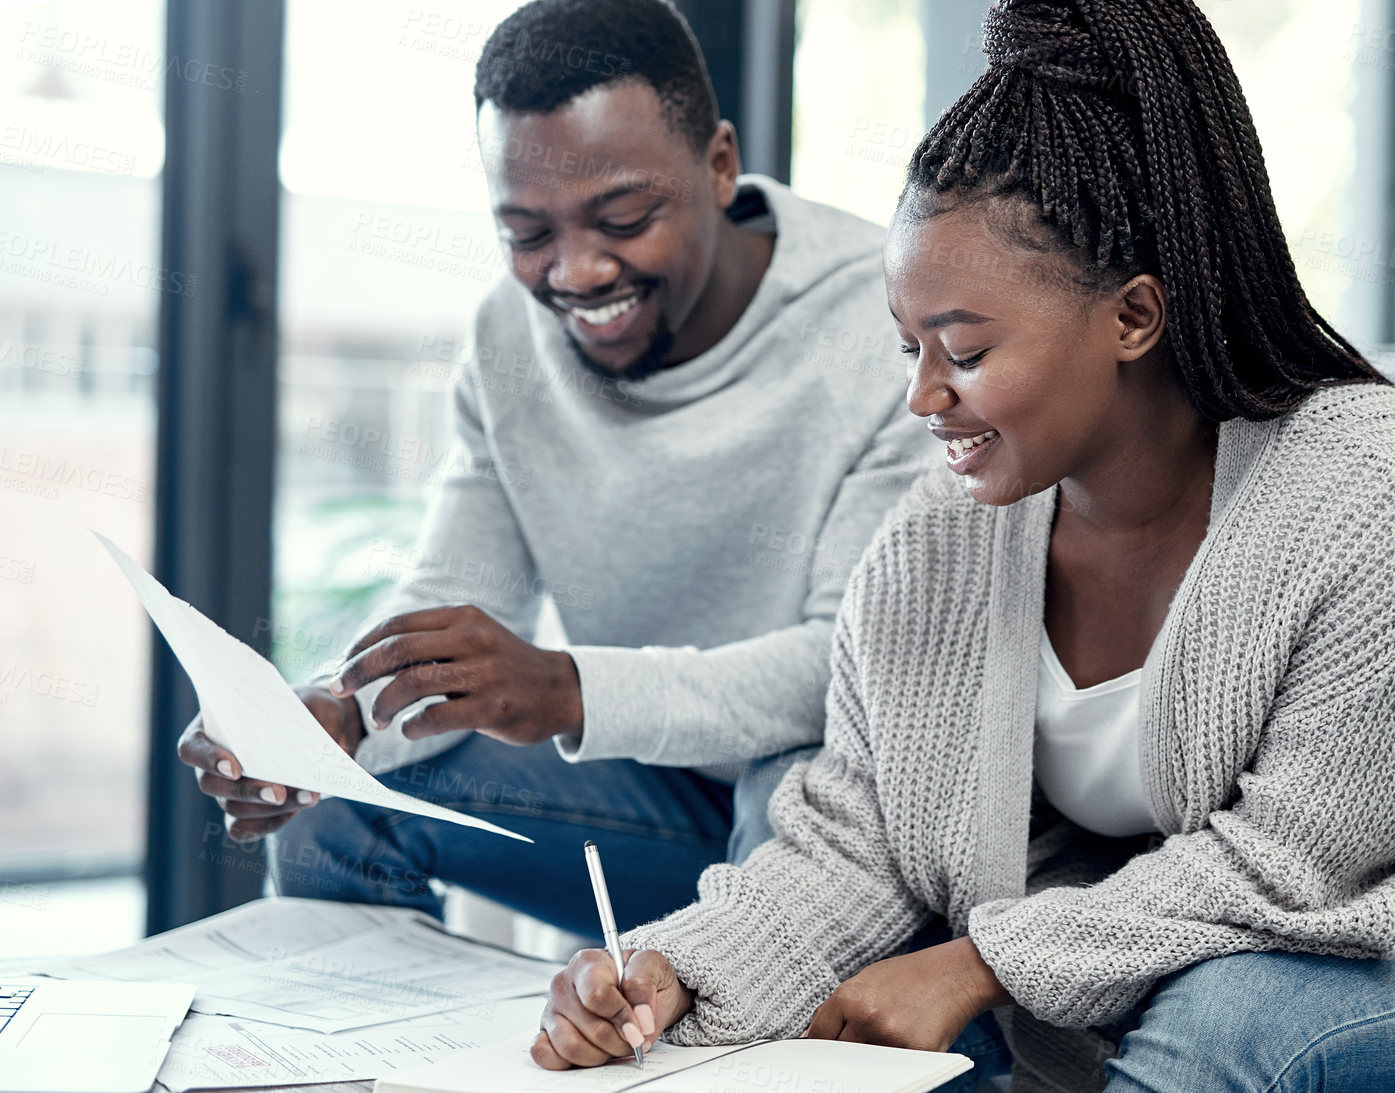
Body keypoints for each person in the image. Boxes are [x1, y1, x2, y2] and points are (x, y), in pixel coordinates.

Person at [531, 0, 1395, 1090]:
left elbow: (1300, 863)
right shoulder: (937, 537)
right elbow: (859, 830)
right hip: (1149, 900)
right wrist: (677, 966)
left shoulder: (1379, 489)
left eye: (963, 348)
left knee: (1220, 1027)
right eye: (906, 347)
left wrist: (980, 961)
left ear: (1133, 316)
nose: (922, 398)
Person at [174, 0, 927, 937]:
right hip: (651, 802)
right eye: (528, 235)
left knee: (788, 786)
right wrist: (338, 713)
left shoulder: (889, 327)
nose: (575, 273)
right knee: (342, 802)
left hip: (832, 827)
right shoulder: (512, 335)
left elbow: (843, 666)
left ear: (720, 164)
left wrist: (571, 690)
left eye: (622, 217)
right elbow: (456, 588)